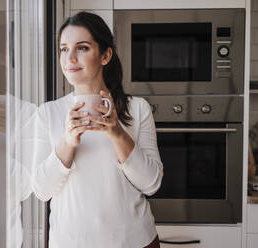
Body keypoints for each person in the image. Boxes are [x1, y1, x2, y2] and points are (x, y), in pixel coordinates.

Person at [31, 11, 163, 248]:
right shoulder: (47, 114)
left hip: (134, 241)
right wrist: (67, 142)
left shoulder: (137, 108)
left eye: (82, 48)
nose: (70, 58)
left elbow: (151, 184)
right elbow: (41, 190)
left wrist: (117, 133)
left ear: (105, 55)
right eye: (63, 49)